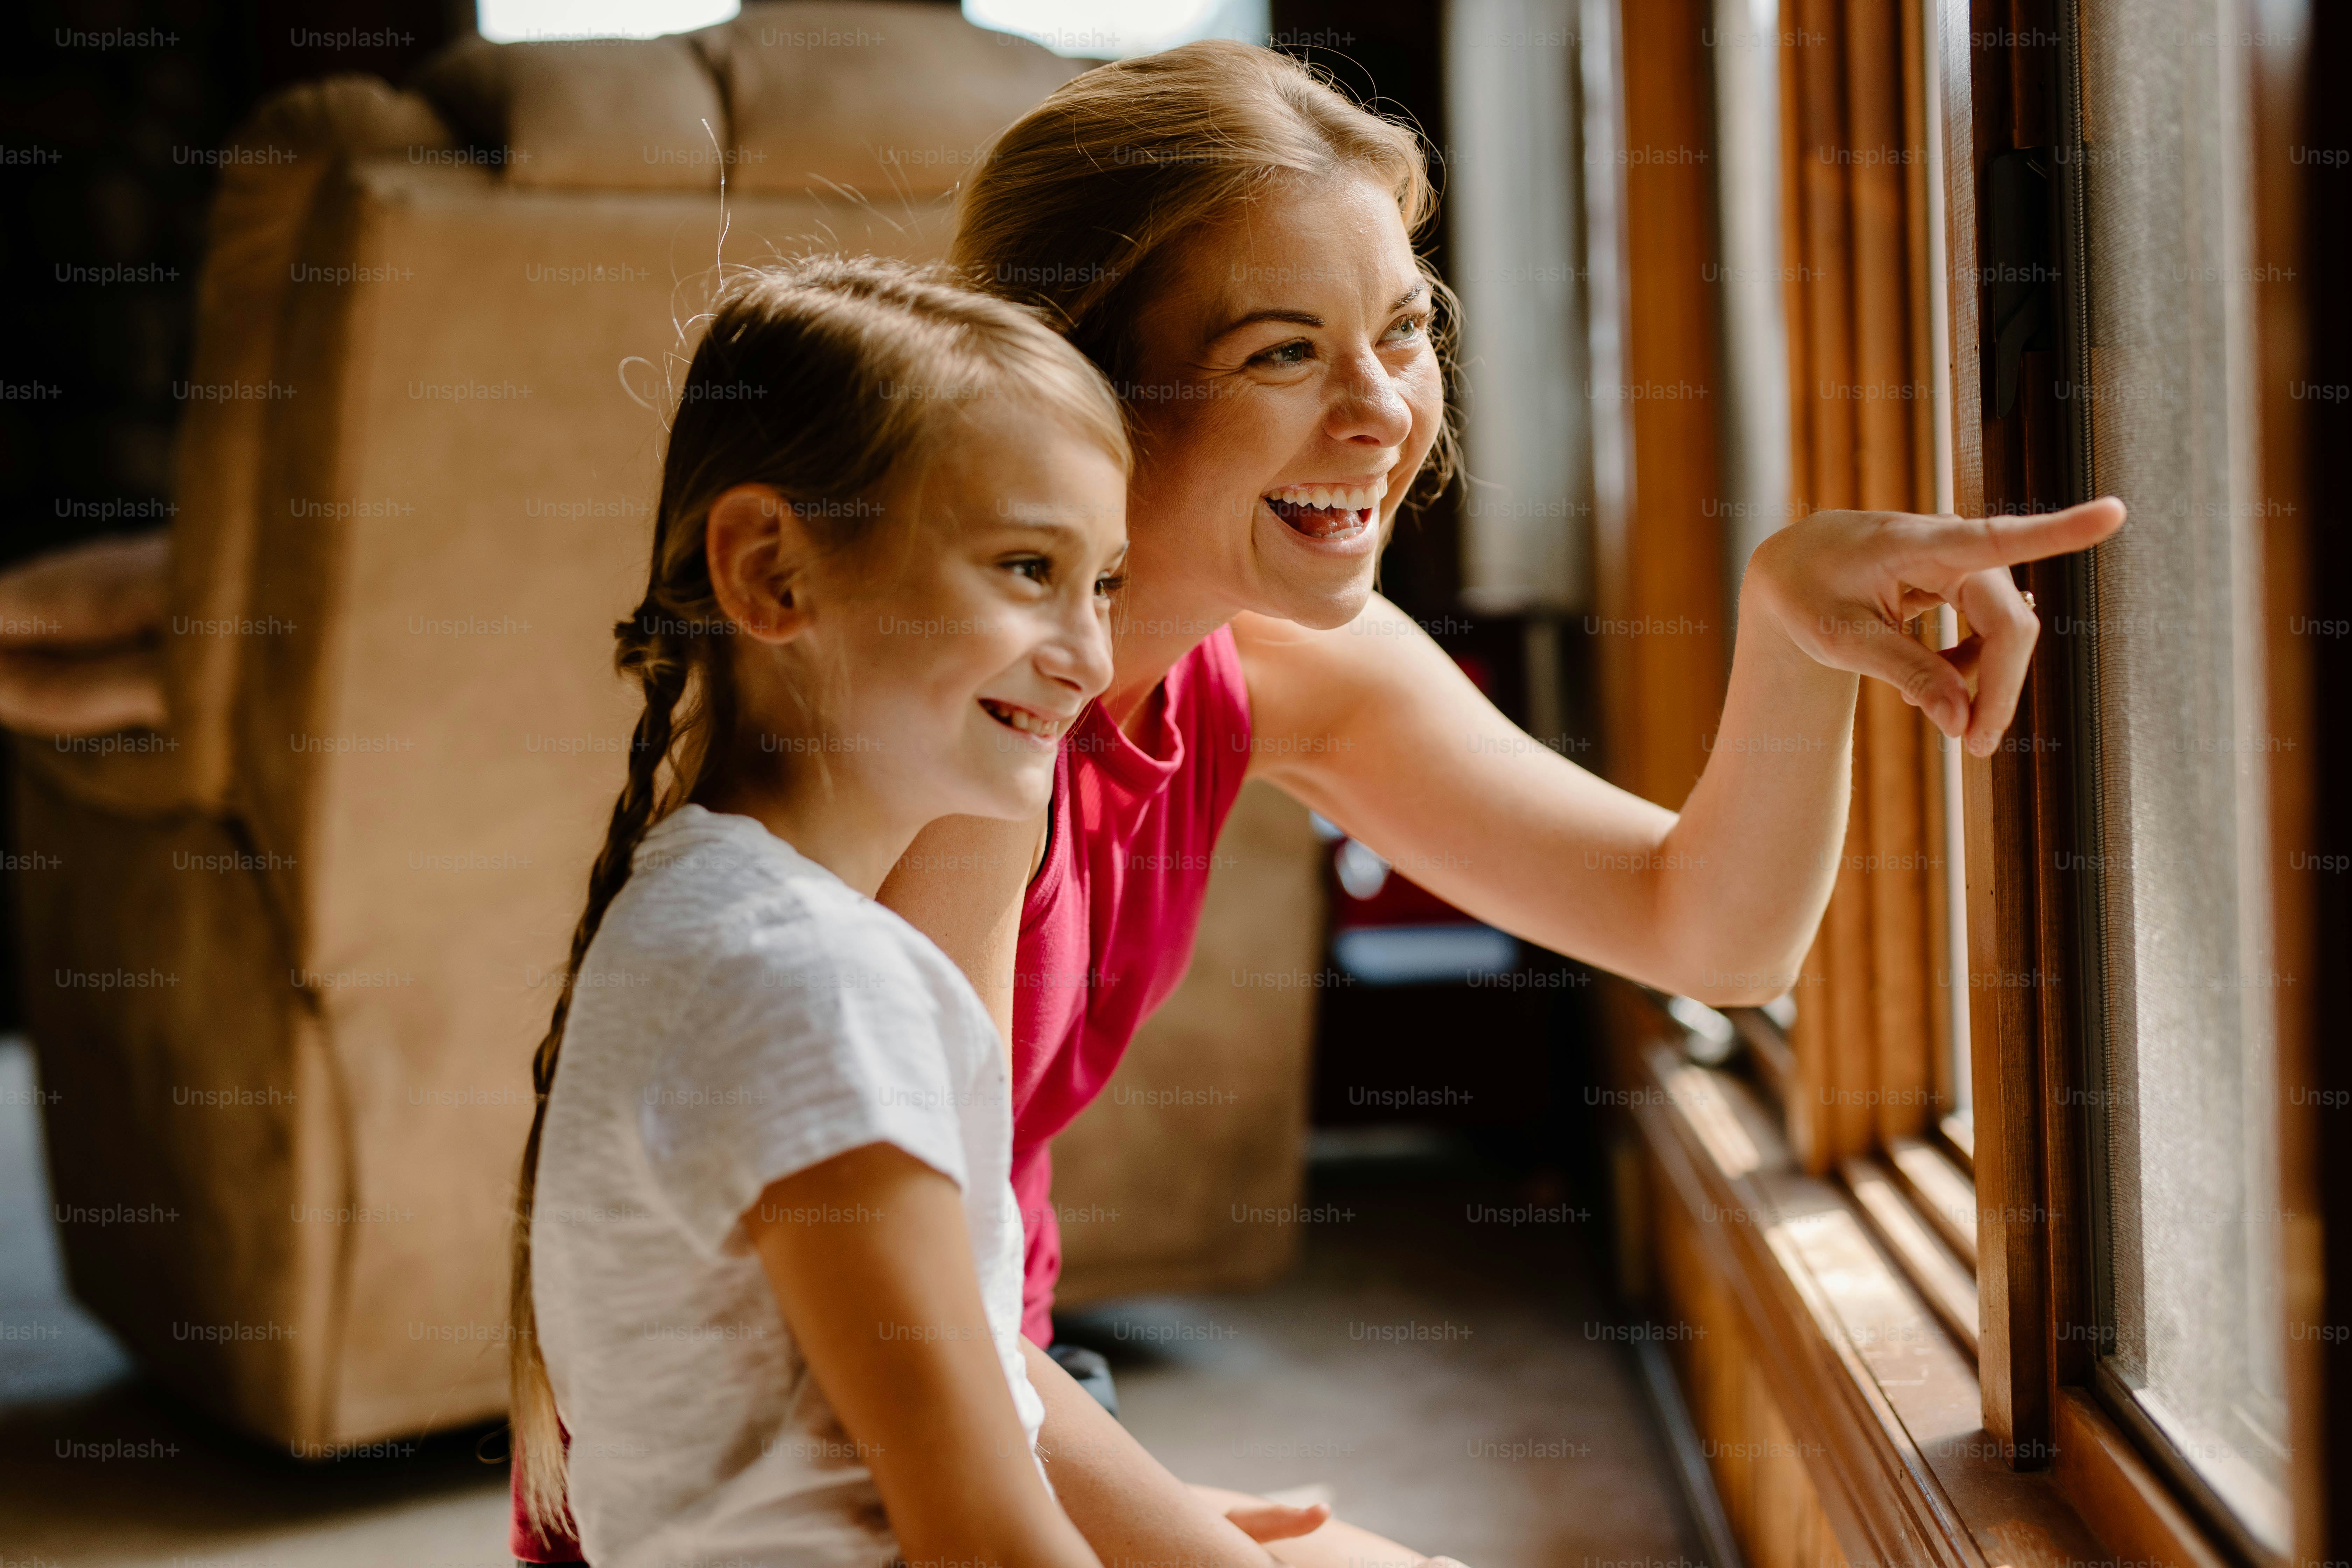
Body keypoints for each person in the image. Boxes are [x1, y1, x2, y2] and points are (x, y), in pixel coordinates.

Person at [506, 255, 1402, 1568]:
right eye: (1025, 569)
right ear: (772, 572)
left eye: (1103, 582)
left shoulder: (714, 907)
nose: (1089, 654)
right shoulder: (806, 980)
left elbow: (948, 1411)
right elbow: (984, 1544)